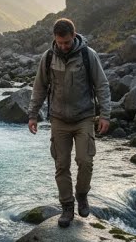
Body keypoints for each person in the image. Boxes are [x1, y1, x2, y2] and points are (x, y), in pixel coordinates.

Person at [27, 18, 111, 227]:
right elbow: (39, 88)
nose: (63, 46)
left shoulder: (87, 55)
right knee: (61, 165)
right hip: (58, 120)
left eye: (66, 42)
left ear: (74, 36)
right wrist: (32, 115)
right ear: (55, 39)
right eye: (60, 42)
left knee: (85, 160)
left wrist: (105, 115)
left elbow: (102, 85)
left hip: (84, 118)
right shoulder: (48, 58)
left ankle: (82, 195)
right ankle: (67, 207)